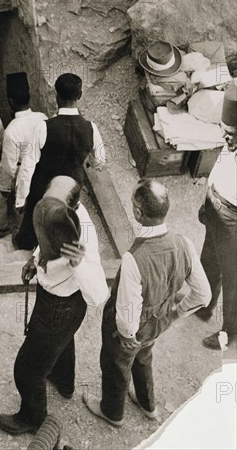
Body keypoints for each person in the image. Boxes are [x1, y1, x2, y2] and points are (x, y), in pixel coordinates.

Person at [83, 179, 211, 427]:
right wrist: (175, 314)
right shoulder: (184, 242)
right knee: (143, 357)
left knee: (116, 365)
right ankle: (147, 404)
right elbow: (203, 294)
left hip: (134, 327)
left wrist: (127, 333)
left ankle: (112, 412)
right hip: (159, 320)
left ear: (138, 213)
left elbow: (128, 309)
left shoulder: (134, 258)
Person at [0, 176, 108, 435]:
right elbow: (48, 234)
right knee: (62, 341)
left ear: (73, 204)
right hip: (56, 303)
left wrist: (78, 263)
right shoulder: (57, 214)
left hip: (62, 307)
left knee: (26, 370)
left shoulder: (83, 241)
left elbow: (99, 294)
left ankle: (32, 418)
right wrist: (35, 261)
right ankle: (63, 382)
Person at [13, 73, 105, 250]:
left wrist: (21, 199)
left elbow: (28, 165)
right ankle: (58, 247)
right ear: (79, 96)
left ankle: (27, 246)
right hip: (72, 187)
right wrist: (89, 161)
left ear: (57, 96)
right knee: (64, 218)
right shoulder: (90, 127)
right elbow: (100, 161)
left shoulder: (44, 127)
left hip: (43, 185)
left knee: (35, 219)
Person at [196, 83, 237, 350]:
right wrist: (208, 200)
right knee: (208, 258)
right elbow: (222, 168)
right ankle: (204, 303)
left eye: (231, 134)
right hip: (217, 206)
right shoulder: (230, 144)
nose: (227, 138)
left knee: (233, 278)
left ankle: (229, 334)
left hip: (234, 217)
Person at [0, 72, 47, 237]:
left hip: (22, 171)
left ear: (10, 101)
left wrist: (5, 188)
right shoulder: (42, 117)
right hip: (41, 167)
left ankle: (2, 228)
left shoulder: (12, 129)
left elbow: (9, 165)